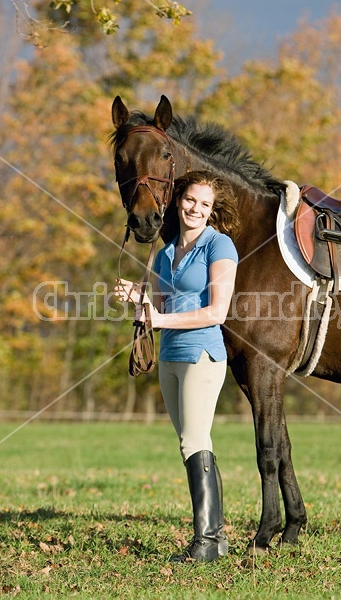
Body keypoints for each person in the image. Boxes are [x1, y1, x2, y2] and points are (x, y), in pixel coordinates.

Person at [115, 170, 240, 562]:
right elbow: (166, 302)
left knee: (193, 441)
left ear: (212, 210)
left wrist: (160, 320)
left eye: (204, 204)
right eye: (190, 200)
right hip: (169, 357)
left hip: (202, 355)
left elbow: (217, 311)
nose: (196, 209)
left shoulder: (219, 247)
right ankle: (216, 538)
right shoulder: (168, 251)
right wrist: (138, 295)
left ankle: (204, 544)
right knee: (194, 444)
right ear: (178, 200)